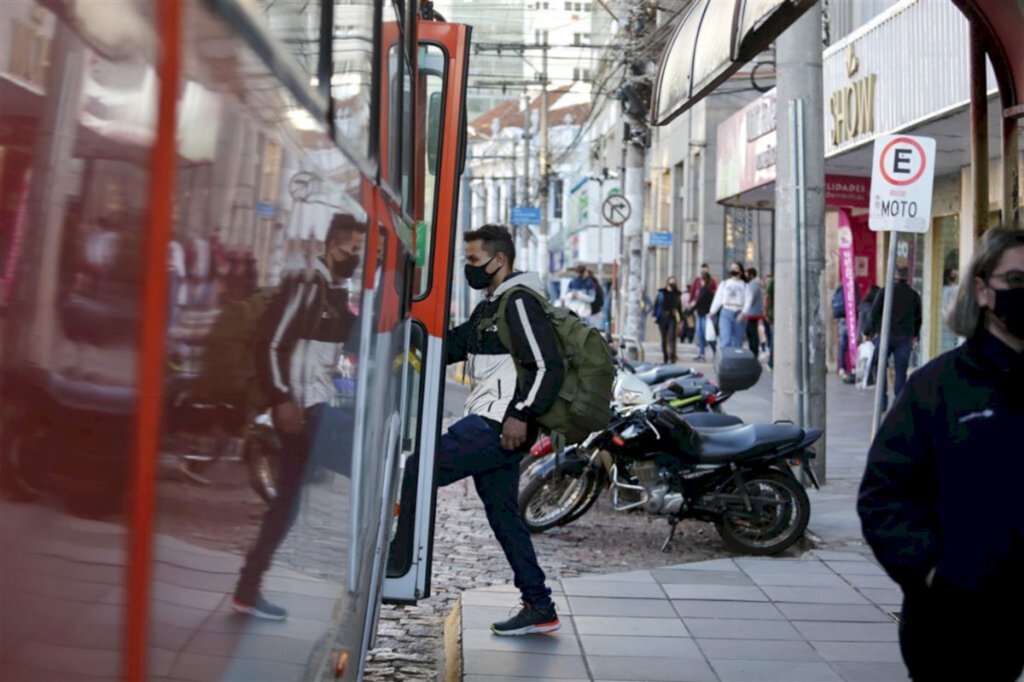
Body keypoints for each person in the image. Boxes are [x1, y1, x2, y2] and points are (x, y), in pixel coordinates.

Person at [858, 227, 1024, 682]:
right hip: (959, 629)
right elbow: (883, 496)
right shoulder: (936, 388)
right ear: (982, 289)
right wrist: (935, 573)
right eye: (1018, 281)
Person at [232, 213, 363, 621]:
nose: (353, 258)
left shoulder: (338, 292)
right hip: (303, 411)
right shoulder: (309, 286)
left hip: (314, 407)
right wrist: (281, 400)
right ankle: (374, 568)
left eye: (359, 252)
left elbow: (339, 351)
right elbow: (270, 343)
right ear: (329, 246)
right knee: (370, 465)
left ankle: (246, 588)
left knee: (286, 503)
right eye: (349, 250)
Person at [435, 224, 564, 635]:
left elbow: (548, 366)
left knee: (417, 471)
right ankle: (539, 605)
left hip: (496, 426)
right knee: (504, 515)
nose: (469, 268)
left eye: (473, 261)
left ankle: (388, 559)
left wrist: (522, 415)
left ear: (499, 260)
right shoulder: (491, 304)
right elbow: (454, 344)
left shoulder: (520, 302)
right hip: (491, 421)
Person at [868, 265, 922, 411]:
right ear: (907, 277)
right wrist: (915, 336)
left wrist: (868, 332)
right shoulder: (914, 295)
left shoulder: (885, 291)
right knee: (901, 372)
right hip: (904, 338)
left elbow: (874, 312)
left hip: (886, 336)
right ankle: (898, 404)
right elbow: (918, 318)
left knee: (880, 367)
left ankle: (882, 401)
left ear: (894, 276)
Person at [709, 262, 748, 349]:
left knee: (738, 341)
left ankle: (736, 360)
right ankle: (726, 360)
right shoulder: (725, 283)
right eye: (732, 268)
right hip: (726, 311)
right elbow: (718, 298)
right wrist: (712, 311)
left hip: (739, 311)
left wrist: (744, 313)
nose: (734, 270)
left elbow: (748, 300)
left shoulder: (744, 285)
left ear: (741, 271)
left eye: (736, 268)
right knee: (725, 339)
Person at [652, 276, 684, 364]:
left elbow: (679, 308)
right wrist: (654, 316)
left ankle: (672, 356)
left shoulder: (677, 294)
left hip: (672, 317)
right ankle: (665, 356)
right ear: (667, 283)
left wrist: (681, 319)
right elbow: (656, 305)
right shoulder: (661, 293)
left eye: (674, 283)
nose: (672, 284)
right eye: (671, 282)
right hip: (662, 317)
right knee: (663, 339)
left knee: (672, 338)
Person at [687, 272, 715, 361]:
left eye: (702, 280)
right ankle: (702, 354)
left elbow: (698, 302)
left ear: (704, 280)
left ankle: (715, 352)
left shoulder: (705, 290)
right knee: (701, 335)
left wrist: (690, 311)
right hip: (702, 315)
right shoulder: (706, 289)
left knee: (707, 336)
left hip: (705, 316)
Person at [743, 267, 766, 356]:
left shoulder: (753, 285)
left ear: (751, 275)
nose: (745, 276)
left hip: (752, 313)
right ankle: (754, 350)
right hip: (755, 313)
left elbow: (750, 299)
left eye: (747, 274)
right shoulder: (756, 284)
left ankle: (754, 351)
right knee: (752, 332)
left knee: (752, 333)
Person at [764, 274, 774, 369]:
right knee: (771, 338)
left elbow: (767, 298)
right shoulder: (773, 282)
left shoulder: (773, 282)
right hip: (772, 316)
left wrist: (766, 313)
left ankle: (771, 362)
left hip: (772, 316)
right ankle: (771, 362)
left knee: (772, 339)